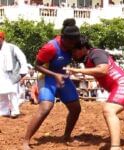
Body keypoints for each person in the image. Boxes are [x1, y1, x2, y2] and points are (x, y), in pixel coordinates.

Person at [64, 35, 124, 150]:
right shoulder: (89, 58)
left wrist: (77, 70)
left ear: (83, 47)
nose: (72, 54)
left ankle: (115, 147)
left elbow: (103, 70)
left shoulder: (95, 53)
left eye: (73, 51)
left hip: (123, 85)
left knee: (109, 110)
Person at [23, 18, 81, 150]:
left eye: (74, 43)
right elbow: (36, 66)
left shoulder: (73, 44)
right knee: (45, 108)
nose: (73, 46)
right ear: (64, 39)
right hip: (47, 77)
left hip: (62, 77)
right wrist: (55, 75)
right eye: (71, 43)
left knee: (76, 108)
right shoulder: (50, 47)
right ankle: (25, 141)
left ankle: (66, 136)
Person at [0, 31, 28, 118]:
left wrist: (23, 72)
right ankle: (4, 111)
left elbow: (22, 58)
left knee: (13, 93)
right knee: (1, 94)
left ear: (2, 38)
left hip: (12, 75)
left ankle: (15, 111)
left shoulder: (12, 47)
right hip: (1, 74)